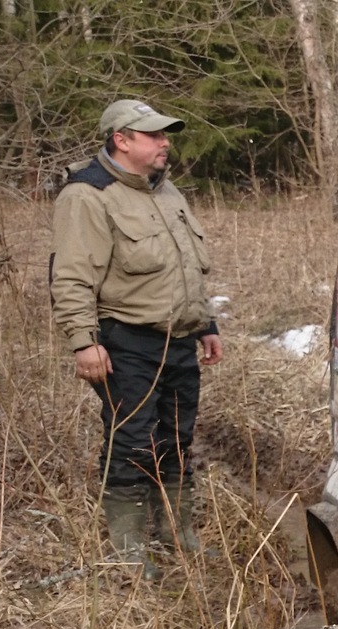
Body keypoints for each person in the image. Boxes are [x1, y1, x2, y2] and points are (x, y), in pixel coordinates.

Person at [50, 98, 222, 581]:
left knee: (177, 437)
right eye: (154, 135)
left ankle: (176, 535)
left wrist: (206, 325)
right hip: (125, 341)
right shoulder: (88, 195)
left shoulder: (166, 191)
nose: (165, 143)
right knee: (132, 441)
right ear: (121, 140)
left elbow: (184, 267)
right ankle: (127, 550)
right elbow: (71, 276)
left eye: (165, 134)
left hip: (179, 340)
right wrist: (83, 342)